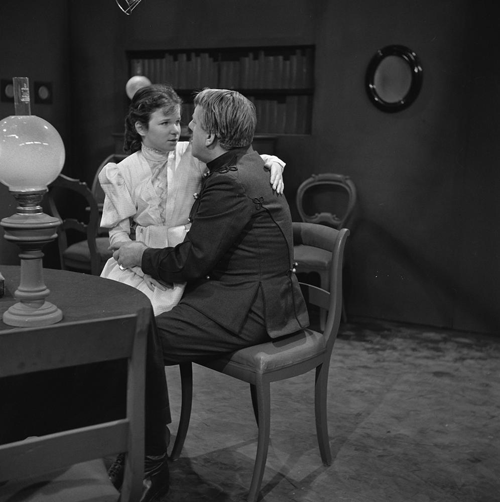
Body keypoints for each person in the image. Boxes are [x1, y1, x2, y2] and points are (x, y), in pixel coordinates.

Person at [111, 88, 310, 499]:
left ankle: (151, 460)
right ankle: (143, 439)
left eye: (195, 123)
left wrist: (139, 254)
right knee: (137, 323)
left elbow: (189, 262)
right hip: (244, 293)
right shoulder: (245, 163)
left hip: (252, 307)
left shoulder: (229, 183)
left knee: (141, 338)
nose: (187, 128)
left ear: (213, 136)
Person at [99, 84, 286, 316]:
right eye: (165, 123)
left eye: (178, 121)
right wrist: (140, 265)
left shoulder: (193, 153)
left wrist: (272, 162)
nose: (176, 130)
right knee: (121, 313)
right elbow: (118, 234)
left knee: (168, 316)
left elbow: (236, 159)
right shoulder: (120, 172)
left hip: (186, 256)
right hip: (139, 263)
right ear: (141, 128)